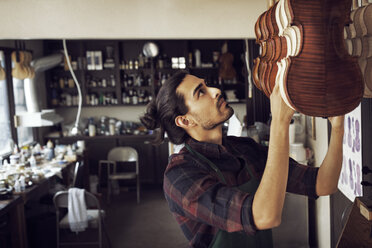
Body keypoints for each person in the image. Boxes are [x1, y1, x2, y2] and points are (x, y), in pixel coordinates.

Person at [140, 70, 344, 248]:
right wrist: (280, 122)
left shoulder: (244, 149)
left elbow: (323, 184)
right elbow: (263, 216)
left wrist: (337, 127)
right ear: (185, 120)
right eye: (200, 92)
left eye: (206, 85)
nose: (215, 90)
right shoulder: (180, 175)